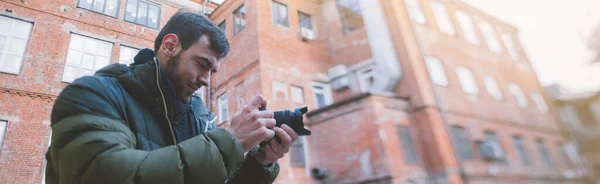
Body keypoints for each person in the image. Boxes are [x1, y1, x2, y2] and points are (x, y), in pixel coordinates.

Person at [45, 10, 298, 184]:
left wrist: (260, 162)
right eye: (201, 64)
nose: (206, 79)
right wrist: (230, 141)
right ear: (169, 46)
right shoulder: (90, 95)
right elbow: (105, 176)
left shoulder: (200, 118)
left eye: (212, 71)